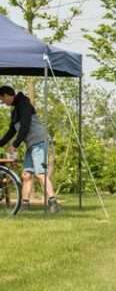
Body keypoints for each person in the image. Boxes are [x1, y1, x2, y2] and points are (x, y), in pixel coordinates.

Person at [0, 85, 60, 213]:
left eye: (2, 100)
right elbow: (12, 130)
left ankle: (53, 203)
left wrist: (15, 144)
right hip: (31, 144)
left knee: (40, 174)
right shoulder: (15, 110)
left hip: (39, 141)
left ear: (7, 95)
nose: (3, 103)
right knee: (26, 175)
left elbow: (25, 126)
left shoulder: (24, 104)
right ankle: (25, 205)